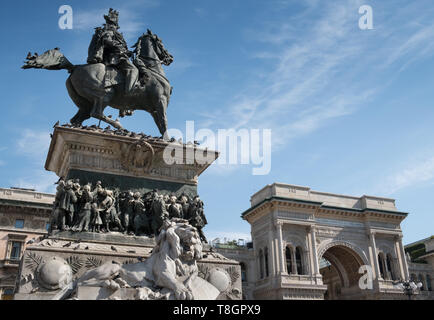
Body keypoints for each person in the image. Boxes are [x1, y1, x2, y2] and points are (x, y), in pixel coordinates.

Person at [87, 8, 138, 96]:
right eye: (114, 23)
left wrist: (127, 51)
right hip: (114, 58)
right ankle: (129, 93)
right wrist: (121, 49)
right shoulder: (109, 31)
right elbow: (107, 41)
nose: (115, 25)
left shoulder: (111, 31)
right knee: (133, 69)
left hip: (117, 55)